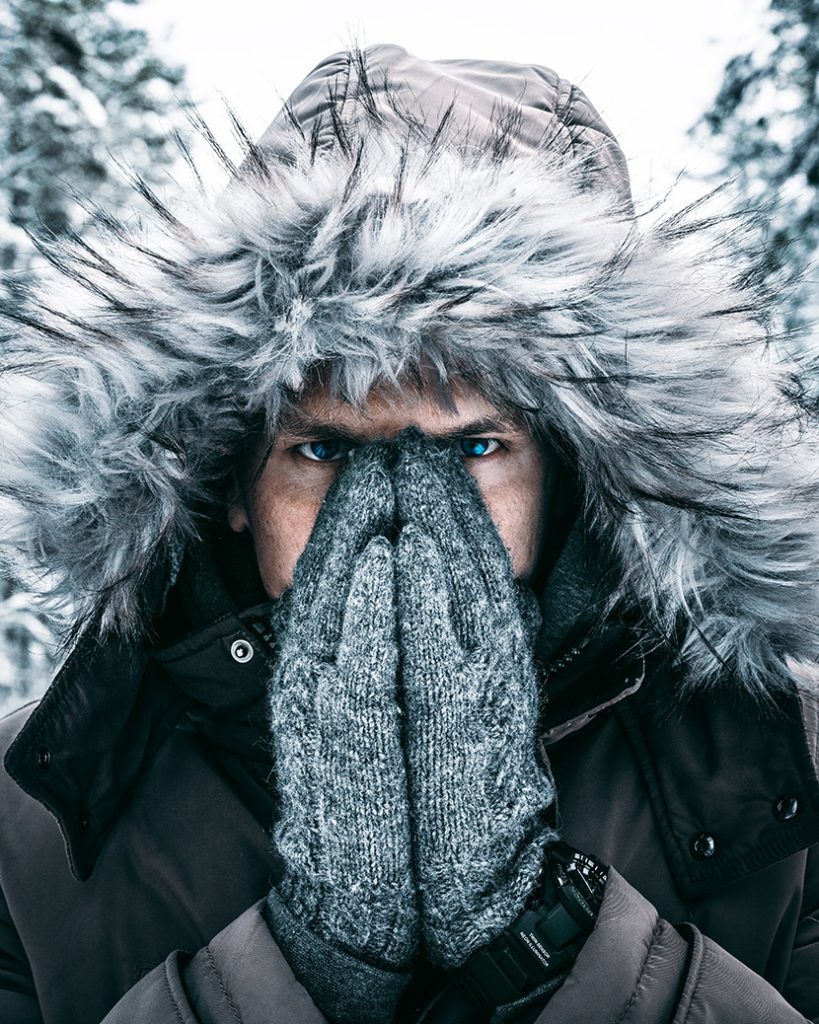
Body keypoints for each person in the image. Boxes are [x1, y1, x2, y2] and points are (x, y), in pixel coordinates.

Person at [0, 42, 817, 1024]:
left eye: (473, 448)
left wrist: (544, 940)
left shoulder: (796, 768)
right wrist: (307, 963)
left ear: (570, 476)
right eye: (326, 450)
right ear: (231, 478)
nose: (396, 513)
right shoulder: (27, 815)